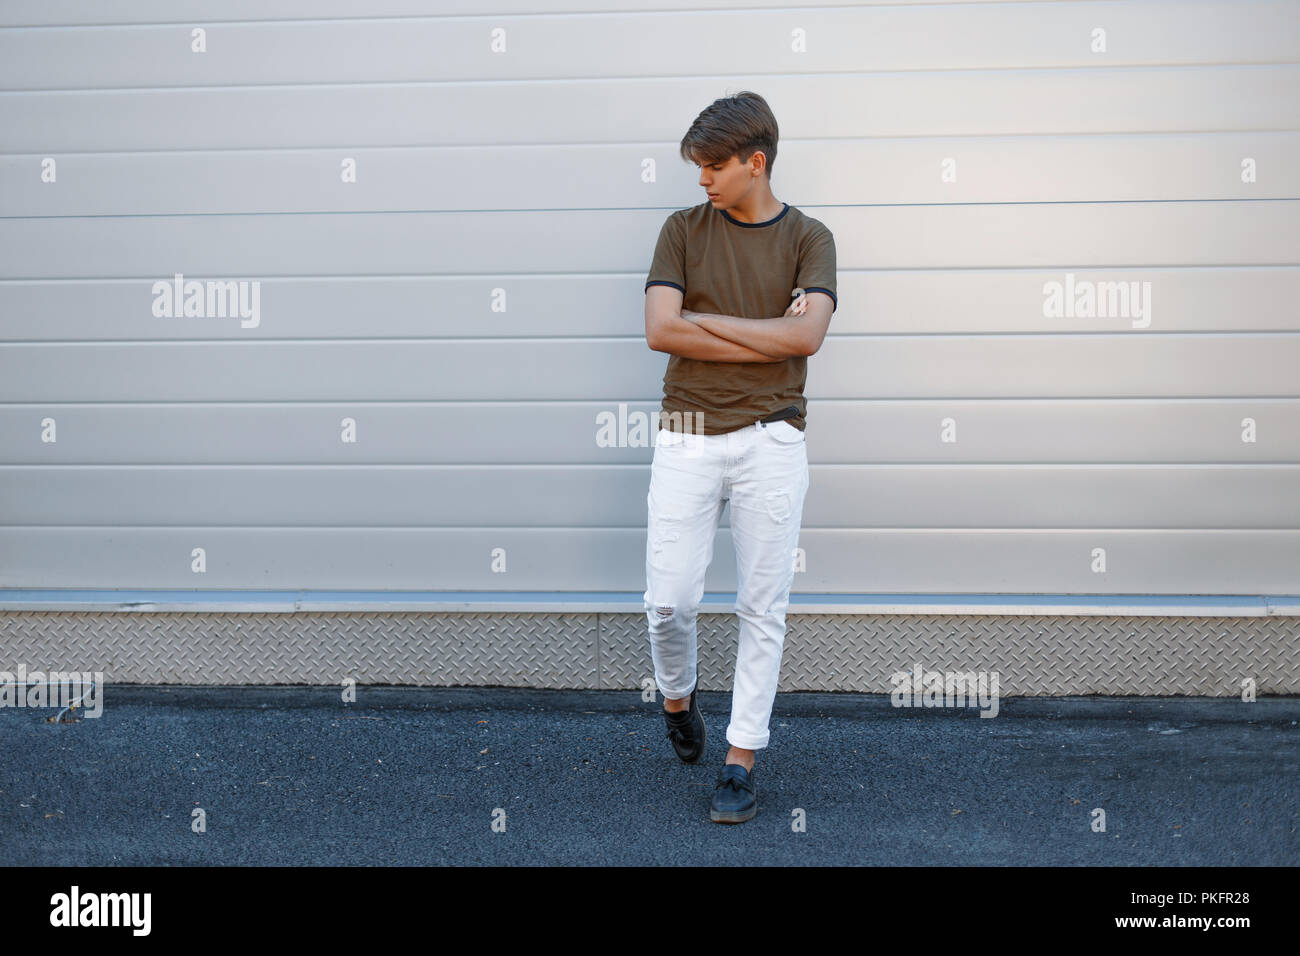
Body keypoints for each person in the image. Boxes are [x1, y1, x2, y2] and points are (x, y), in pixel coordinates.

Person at [642, 91, 837, 823]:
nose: (702, 179)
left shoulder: (811, 239)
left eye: (715, 166)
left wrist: (707, 320)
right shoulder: (682, 230)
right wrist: (764, 330)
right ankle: (677, 696)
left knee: (762, 607)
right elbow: (662, 331)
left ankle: (740, 759)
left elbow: (806, 339)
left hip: (774, 436)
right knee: (670, 599)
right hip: (687, 430)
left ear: (756, 163)